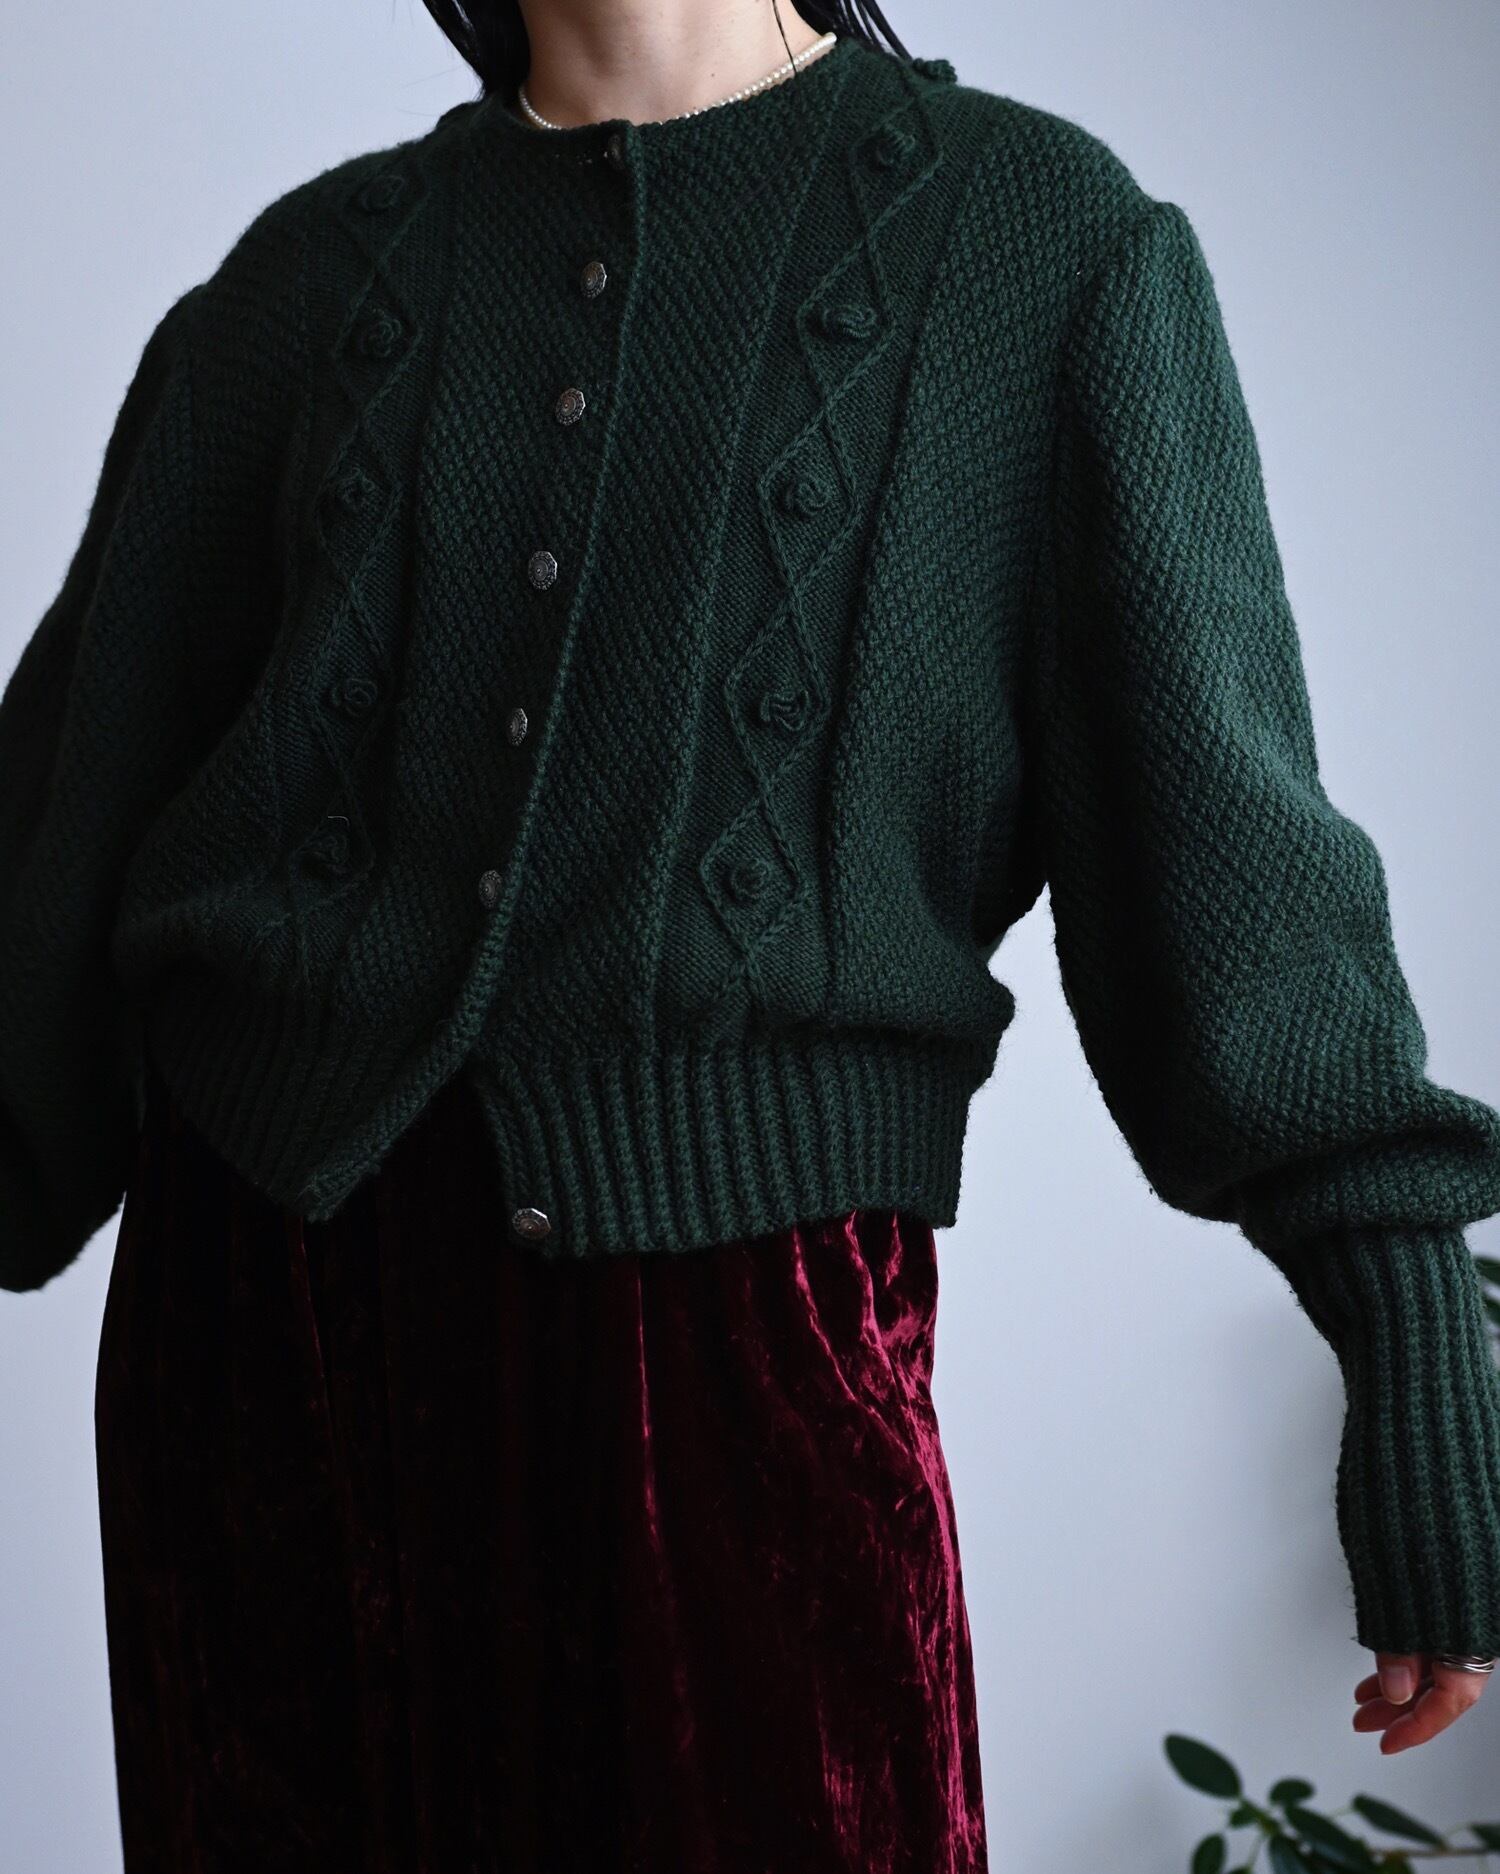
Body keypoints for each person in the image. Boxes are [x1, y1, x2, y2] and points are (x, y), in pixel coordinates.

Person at [4, 0, 1497, 1866]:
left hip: (735, 1354)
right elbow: (57, 835)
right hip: (263, 1348)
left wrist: (1413, 1349)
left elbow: (1237, 872)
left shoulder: (1043, 251)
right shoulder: (302, 285)